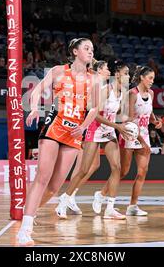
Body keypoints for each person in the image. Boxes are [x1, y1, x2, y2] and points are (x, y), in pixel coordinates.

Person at [16, 38, 98, 246]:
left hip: (74, 133)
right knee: (42, 178)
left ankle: (30, 213)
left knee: (54, 187)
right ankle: (25, 228)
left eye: (92, 49)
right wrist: (34, 108)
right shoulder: (58, 71)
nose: (90, 51)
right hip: (54, 126)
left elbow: (95, 108)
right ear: (75, 51)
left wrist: (85, 125)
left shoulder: (94, 79)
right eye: (86, 48)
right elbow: (35, 91)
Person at [55, 60, 132, 220]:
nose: (128, 76)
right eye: (125, 73)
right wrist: (117, 127)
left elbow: (119, 116)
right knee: (84, 169)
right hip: (95, 129)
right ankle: (65, 199)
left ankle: (110, 208)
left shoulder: (123, 92)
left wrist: (127, 127)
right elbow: (95, 115)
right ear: (117, 74)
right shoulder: (104, 90)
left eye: (129, 73)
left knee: (116, 168)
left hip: (109, 131)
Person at [110, 66, 162, 216]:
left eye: (153, 78)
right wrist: (143, 142)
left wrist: (156, 122)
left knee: (142, 172)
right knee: (123, 171)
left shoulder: (151, 93)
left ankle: (133, 206)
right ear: (142, 78)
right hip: (130, 134)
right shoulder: (132, 94)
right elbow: (131, 121)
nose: (152, 81)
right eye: (150, 78)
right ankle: (103, 196)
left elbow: (149, 112)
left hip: (144, 134)